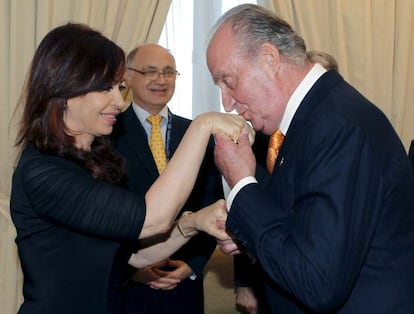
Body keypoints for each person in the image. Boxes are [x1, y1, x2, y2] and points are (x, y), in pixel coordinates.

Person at [9, 23, 252, 314]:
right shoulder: (43, 171)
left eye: (118, 87)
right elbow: (151, 220)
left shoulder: (92, 162)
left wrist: (193, 223)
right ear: (65, 89)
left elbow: (133, 258)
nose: (117, 100)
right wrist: (203, 125)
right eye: (104, 88)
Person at [207, 4, 414, 314]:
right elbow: (304, 232)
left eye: (229, 81)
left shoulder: (336, 125)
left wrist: (241, 183)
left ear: (269, 59)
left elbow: (316, 282)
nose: (227, 102)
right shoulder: (309, 120)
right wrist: (251, 237)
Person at [110, 44, 223, 314]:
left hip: (183, 287)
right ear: (127, 77)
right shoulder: (107, 134)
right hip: (126, 288)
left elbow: (212, 203)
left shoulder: (196, 133)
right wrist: (130, 268)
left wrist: (193, 265)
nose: (160, 80)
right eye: (149, 71)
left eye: (168, 72)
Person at [233, 49, 339, 314]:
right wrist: (245, 282)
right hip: (264, 277)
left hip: (306, 280)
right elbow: (249, 207)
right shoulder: (259, 136)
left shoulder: (333, 139)